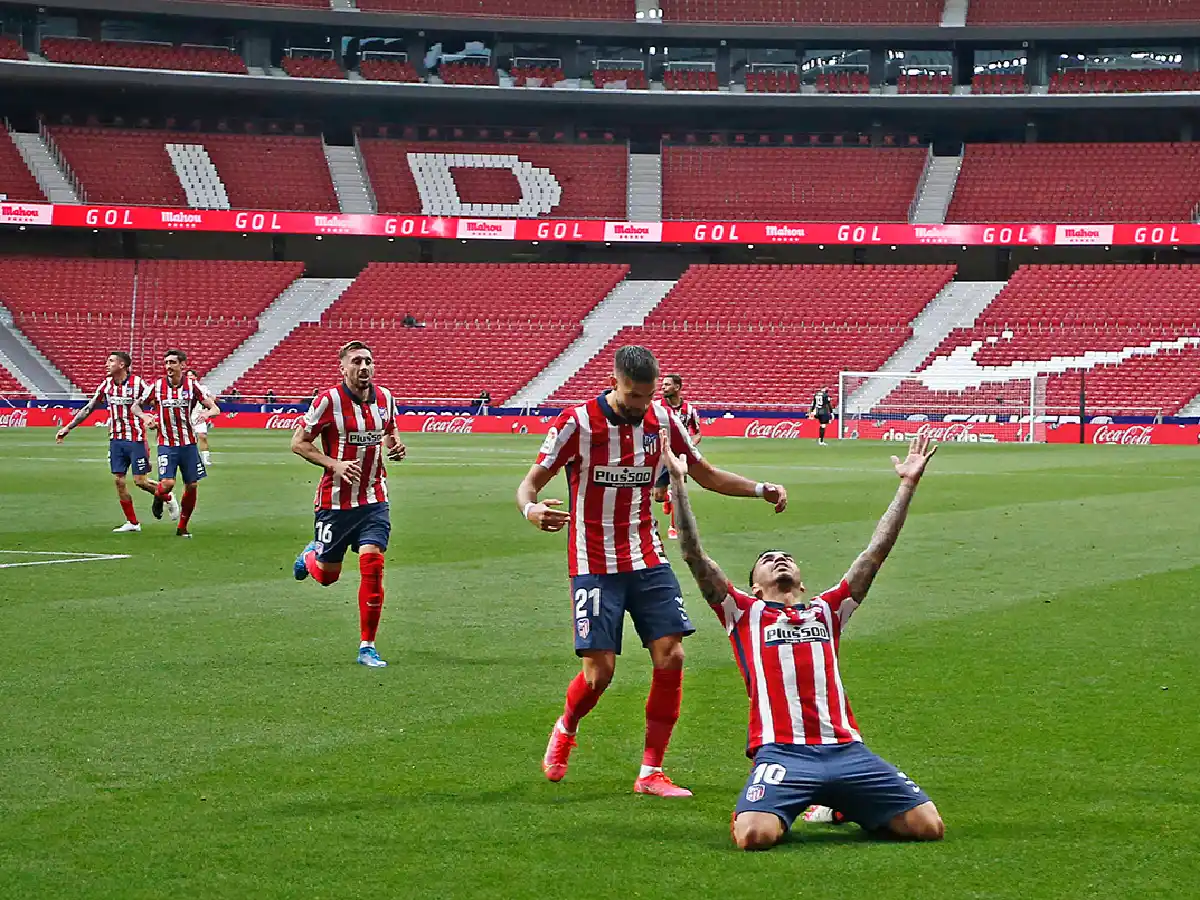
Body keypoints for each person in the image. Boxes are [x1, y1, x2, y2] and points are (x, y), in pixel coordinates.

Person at [516, 345, 789, 797]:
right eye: (633, 395)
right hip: (594, 563)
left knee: (673, 655)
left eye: (647, 396)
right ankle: (566, 726)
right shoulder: (577, 424)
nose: (641, 404)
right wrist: (530, 510)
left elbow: (705, 473)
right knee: (598, 674)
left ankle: (650, 771)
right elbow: (529, 483)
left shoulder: (662, 419)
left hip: (647, 556)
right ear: (614, 381)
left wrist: (761, 488)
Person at [661, 431, 944, 850]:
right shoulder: (742, 613)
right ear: (753, 587)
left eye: (785, 558)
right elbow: (694, 555)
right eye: (766, 560)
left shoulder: (827, 610)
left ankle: (840, 802)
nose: (779, 559)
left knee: (927, 826)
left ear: (801, 580)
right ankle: (802, 799)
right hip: (783, 754)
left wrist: (907, 484)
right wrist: (680, 485)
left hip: (847, 750)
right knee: (754, 836)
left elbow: (874, 553)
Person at [290, 340, 407, 668]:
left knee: (373, 564)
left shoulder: (385, 397)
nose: (364, 367)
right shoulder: (328, 401)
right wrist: (334, 464)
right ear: (343, 368)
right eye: (356, 362)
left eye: (368, 360)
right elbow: (298, 443)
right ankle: (311, 554)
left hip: (374, 498)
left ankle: (367, 646)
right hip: (335, 502)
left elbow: (389, 429)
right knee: (328, 576)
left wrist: (395, 445)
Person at [55, 350, 177, 532]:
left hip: (136, 439)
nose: (107, 364)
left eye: (111, 361)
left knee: (140, 481)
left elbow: (157, 403)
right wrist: (68, 427)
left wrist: (152, 419)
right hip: (116, 440)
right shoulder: (106, 385)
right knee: (119, 481)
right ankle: (133, 523)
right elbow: (89, 408)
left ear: (122, 365)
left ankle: (167, 497)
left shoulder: (138, 384)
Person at [131, 349, 219, 538]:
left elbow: (215, 408)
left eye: (172, 363)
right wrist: (146, 417)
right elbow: (136, 406)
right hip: (167, 444)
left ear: (182, 365)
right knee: (168, 483)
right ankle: (158, 497)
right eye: (166, 363)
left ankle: (182, 527)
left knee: (192, 485)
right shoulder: (157, 386)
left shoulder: (192, 386)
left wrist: (206, 413)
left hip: (188, 444)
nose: (168, 367)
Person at [653, 373, 702, 540]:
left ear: (677, 387)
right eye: (663, 384)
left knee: (678, 491)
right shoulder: (656, 407)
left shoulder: (689, 410)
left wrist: (687, 447)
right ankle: (666, 498)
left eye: (667, 385)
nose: (663, 387)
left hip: (679, 459)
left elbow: (697, 433)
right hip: (660, 458)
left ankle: (674, 527)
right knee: (658, 496)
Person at [188, 369, 219, 467]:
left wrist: (207, 410)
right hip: (187, 417)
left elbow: (211, 398)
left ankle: (205, 459)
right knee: (188, 440)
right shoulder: (184, 388)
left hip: (199, 416)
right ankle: (190, 459)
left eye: (191, 375)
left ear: (195, 377)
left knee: (202, 436)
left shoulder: (202, 388)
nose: (189, 377)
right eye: (188, 376)